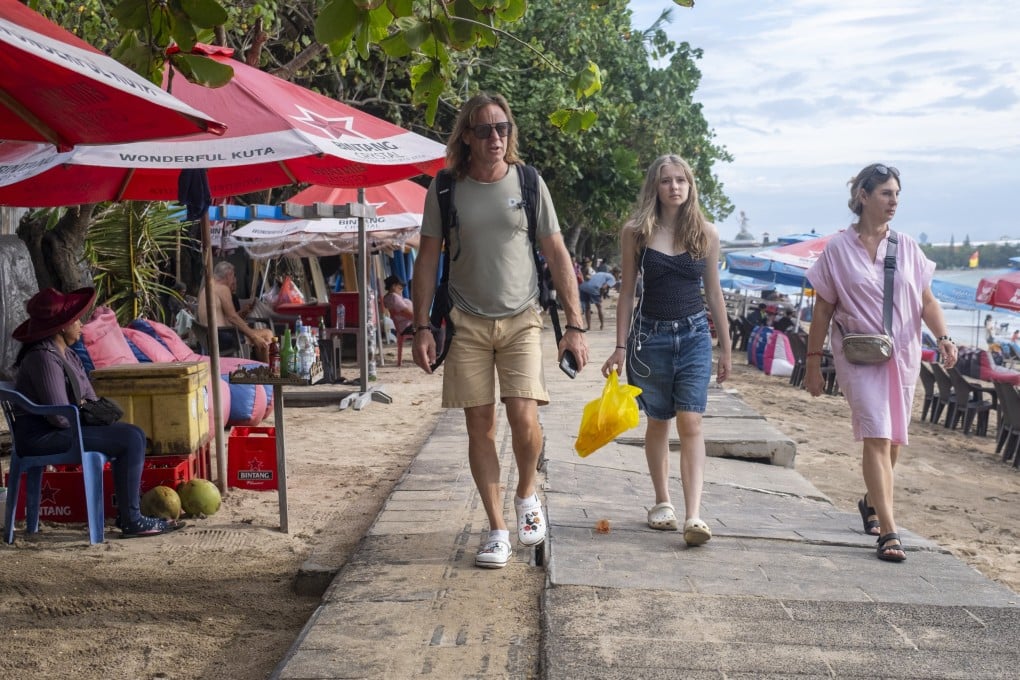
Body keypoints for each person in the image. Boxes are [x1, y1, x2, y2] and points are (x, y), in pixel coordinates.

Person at [411, 92, 589, 569]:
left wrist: (574, 325)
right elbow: (427, 260)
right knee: (479, 427)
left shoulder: (529, 182)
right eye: (485, 129)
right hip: (465, 322)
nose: (496, 138)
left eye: (503, 128)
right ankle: (496, 529)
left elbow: (557, 254)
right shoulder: (445, 187)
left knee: (524, 418)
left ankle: (527, 494)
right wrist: (421, 326)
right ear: (466, 136)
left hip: (523, 319)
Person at [804, 163, 957, 563]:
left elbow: (926, 300)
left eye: (897, 195)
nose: (894, 202)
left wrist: (943, 338)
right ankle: (889, 532)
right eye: (886, 193)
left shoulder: (906, 246)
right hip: (857, 354)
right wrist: (814, 361)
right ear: (863, 197)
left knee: (892, 441)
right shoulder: (837, 249)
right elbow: (822, 310)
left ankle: (871, 502)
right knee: (875, 433)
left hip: (902, 353)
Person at [600, 154, 732, 547]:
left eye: (681, 180)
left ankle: (694, 515)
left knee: (691, 422)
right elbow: (626, 294)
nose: (674, 187)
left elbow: (714, 293)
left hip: (693, 336)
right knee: (658, 421)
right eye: (666, 181)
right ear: (654, 188)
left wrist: (725, 347)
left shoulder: (705, 233)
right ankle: (663, 502)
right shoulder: (636, 232)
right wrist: (619, 347)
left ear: (690, 186)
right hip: (649, 337)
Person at [10, 287, 185, 538]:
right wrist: (87, 415)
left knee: (132, 433)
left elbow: (88, 396)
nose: (81, 325)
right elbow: (58, 416)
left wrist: (97, 413)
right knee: (130, 438)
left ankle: (130, 515)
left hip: (66, 429)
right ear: (62, 326)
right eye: (76, 320)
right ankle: (132, 519)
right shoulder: (43, 357)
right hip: (43, 436)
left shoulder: (67, 353)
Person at [197, 261, 273, 361]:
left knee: (258, 336)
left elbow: (225, 318)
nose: (233, 280)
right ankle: (268, 371)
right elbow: (232, 317)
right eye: (233, 276)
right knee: (267, 333)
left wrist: (243, 313)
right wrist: (254, 337)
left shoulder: (206, 289)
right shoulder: (222, 288)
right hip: (222, 337)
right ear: (228, 275)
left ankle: (263, 368)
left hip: (209, 337)